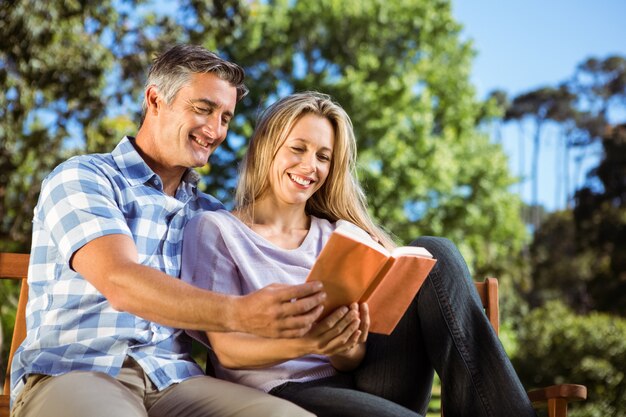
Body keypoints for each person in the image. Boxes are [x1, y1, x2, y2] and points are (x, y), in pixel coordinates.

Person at [10, 45, 323, 417]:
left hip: (176, 381)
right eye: (203, 109)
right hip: (79, 370)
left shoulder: (211, 216)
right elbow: (120, 281)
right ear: (155, 99)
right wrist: (240, 313)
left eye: (225, 117)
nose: (215, 130)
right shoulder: (85, 177)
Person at [181, 91, 539, 417]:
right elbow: (228, 351)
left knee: (436, 251)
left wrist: (342, 343)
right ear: (266, 147)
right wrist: (310, 342)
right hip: (279, 392)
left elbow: (351, 360)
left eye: (324, 156)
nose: (311, 166)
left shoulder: (343, 237)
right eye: (298, 148)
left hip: (367, 382)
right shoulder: (216, 230)